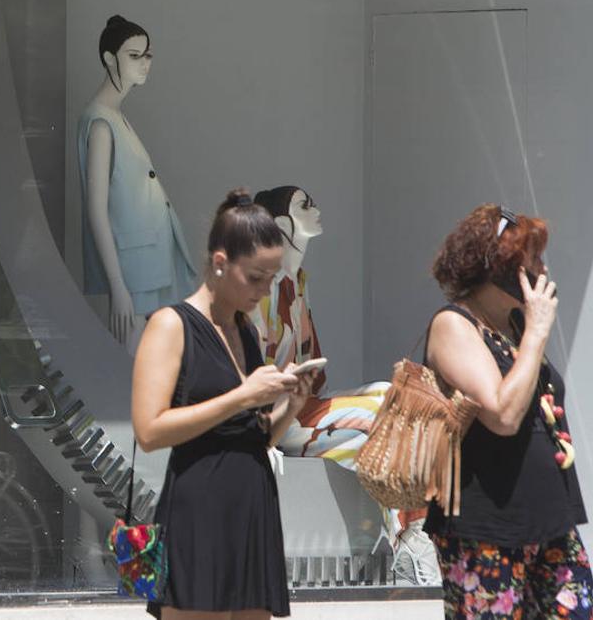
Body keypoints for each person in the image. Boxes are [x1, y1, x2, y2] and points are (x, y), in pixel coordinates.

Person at [132, 188, 318, 619]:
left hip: (252, 507)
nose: (264, 289)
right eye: (255, 277)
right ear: (220, 263)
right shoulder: (171, 325)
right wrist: (241, 396)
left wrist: (289, 407)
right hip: (199, 512)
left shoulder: (247, 332)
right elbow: (149, 431)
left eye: (271, 278)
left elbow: (252, 436)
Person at [251, 184, 437, 584]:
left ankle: (414, 533)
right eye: (304, 205)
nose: (316, 209)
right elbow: (248, 372)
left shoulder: (296, 283)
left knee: (400, 399)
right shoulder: (262, 290)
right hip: (280, 417)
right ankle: (406, 538)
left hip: (305, 402)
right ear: (281, 223)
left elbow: (312, 368)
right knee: (372, 420)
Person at [423, 204, 589, 619]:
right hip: (486, 529)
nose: (542, 270)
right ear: (498, 267)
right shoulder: (454, 325)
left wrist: (529, 334)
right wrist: (535, 332)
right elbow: (502, 413)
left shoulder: (513, 329)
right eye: (532, 259)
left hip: (550, 520)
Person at [77, 15, 198, 351]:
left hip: (149, 260)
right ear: (109, 59)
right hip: (133, 266)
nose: (145, 63)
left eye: (147, 55)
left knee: (153, 357)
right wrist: (117, 286)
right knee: (133, 359)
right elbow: (96, 209)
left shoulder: (116, 117)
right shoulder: (101, 123)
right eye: (134, 55)